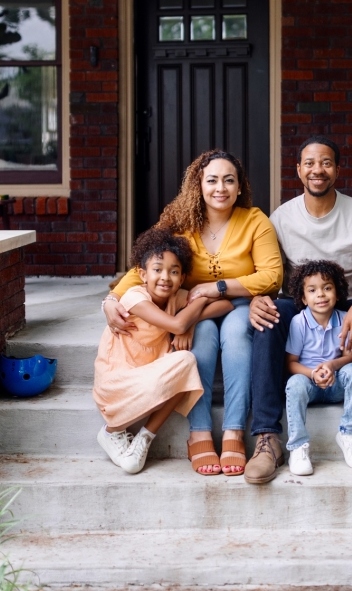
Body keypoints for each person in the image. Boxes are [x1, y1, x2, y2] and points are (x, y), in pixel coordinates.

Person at [244, 135, 352, 486]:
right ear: (298, 170)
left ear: (337, 169)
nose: (317, 170)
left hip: (351, 301)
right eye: (309, 163)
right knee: (268, 318)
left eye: (325, 162)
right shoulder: (281, 218)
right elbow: (265, 271)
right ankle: (266, 439)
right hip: (300, 302)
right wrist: (255, 297)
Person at [103, 150, 282, 476]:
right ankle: (199, 433)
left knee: (235, 334)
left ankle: (234, 431)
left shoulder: (255, 220)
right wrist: (112, 298)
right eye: (212, 180)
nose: (220, 188)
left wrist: (220, 287)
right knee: (201, 337)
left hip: (237, 303)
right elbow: (145, 261)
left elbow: (271, 276)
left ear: (240, 186)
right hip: (192, 308)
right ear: (198, 184)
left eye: (229, 180)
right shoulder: (181, 221)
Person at [94, 228, 231, 474]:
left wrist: (195, 306)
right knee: (185, 361)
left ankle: (144, 438)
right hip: (117, 383)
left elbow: (225, 303)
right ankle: (111, 431)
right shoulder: (135, 297)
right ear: (142, 274)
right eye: (157, 270)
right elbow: (178, 325)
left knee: (186, 364)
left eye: (174, 272)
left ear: (182, 278)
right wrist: (193, 310)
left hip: (149, 378)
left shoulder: (176, 298)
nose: (165, 277)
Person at [284, 259, 352, 476]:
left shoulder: (345, 319)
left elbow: (350, 356)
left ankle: (348, 434)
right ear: (303, 298)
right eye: (312, 290)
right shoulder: (298, 322)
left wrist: (332, 365)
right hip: (309, 386)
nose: (320, 294)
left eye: (327, 288)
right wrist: (312, 373)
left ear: (338, 293)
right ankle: (298, 446)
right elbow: (290, 363)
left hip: (335, 383)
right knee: (294, 384)